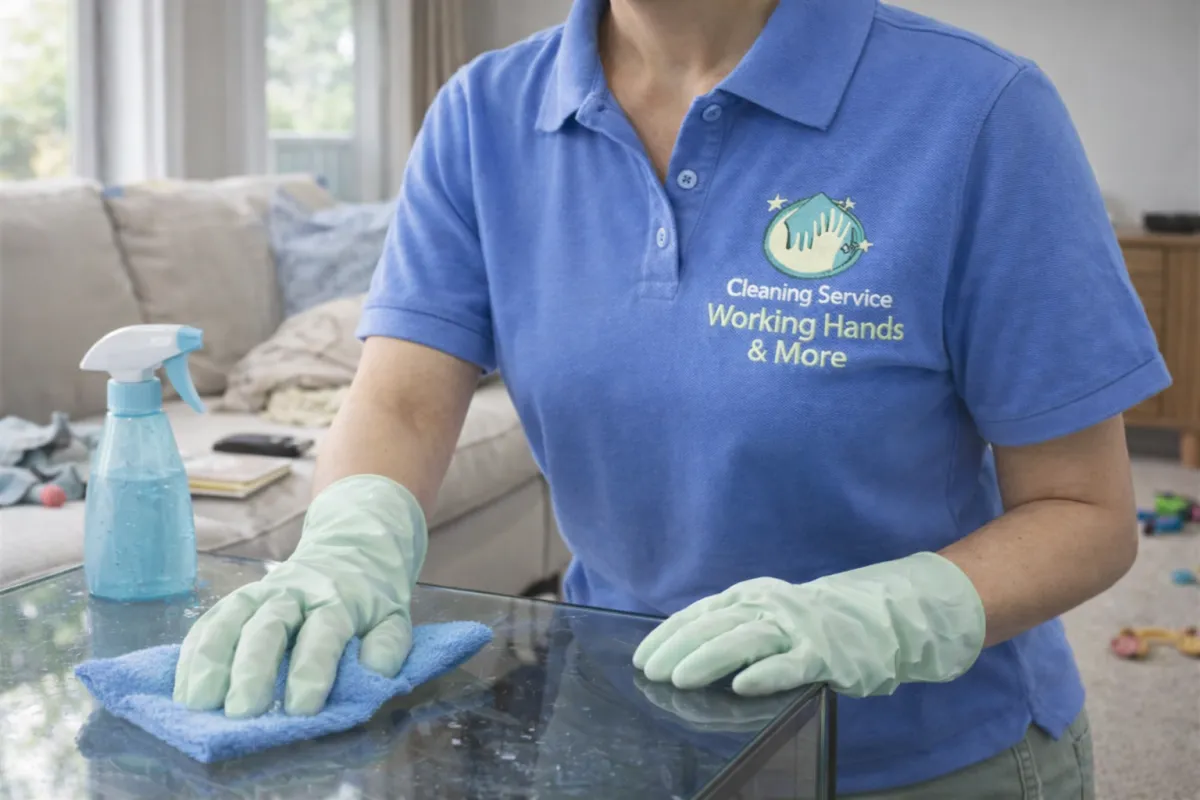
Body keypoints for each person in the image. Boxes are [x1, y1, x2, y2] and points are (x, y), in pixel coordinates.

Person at [172, 0, 1169, 796]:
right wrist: (347, 546)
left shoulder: (978, 111)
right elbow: (400, 403)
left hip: (923, 751)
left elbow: (1086, 514)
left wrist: (882, 613)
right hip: (618, 722)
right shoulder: (483, 116)